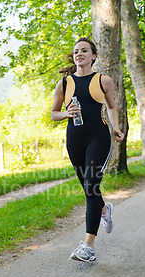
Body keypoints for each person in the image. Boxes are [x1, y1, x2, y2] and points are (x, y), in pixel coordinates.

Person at [51, 37, 124, 262]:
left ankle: (88, 247)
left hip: (99, 136)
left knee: (92, 186)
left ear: (94, 56)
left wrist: (116, 128)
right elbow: (54, 113)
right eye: (76, 51)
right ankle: (104, 210)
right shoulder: (64, 83)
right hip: (74, 138)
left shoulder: (104, 80)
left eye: (84, 50)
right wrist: (66, 114)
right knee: (88, 187)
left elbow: (111, 106)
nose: (79, 54)